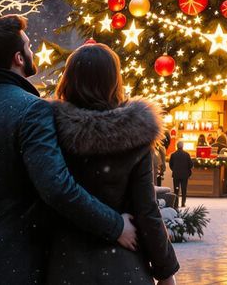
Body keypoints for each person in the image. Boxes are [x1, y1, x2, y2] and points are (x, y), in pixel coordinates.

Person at [0, 16, 138, 285]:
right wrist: (115, 226)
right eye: (29, 46)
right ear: (18, 58)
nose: (33, 52)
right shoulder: (32, 109)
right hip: (14, 266)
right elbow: (56, 187)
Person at [45, 42, 178, 285]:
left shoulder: (48, 131)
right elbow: (146, 210)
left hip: (64, 263)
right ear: (114, 81)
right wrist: (165, 270)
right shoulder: (134, 136)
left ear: (68, 80)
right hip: (123, 266)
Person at [168, 141, 193, 207]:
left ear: (177, 146)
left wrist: (174, 169)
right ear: (183, 146)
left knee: (176, 189)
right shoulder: (187, 154)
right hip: (184, 175)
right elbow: (190, 164)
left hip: (176, 175)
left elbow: (170, 164)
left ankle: (176, 203)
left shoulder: (173, 155)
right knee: (184, 189)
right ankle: (183, 203)